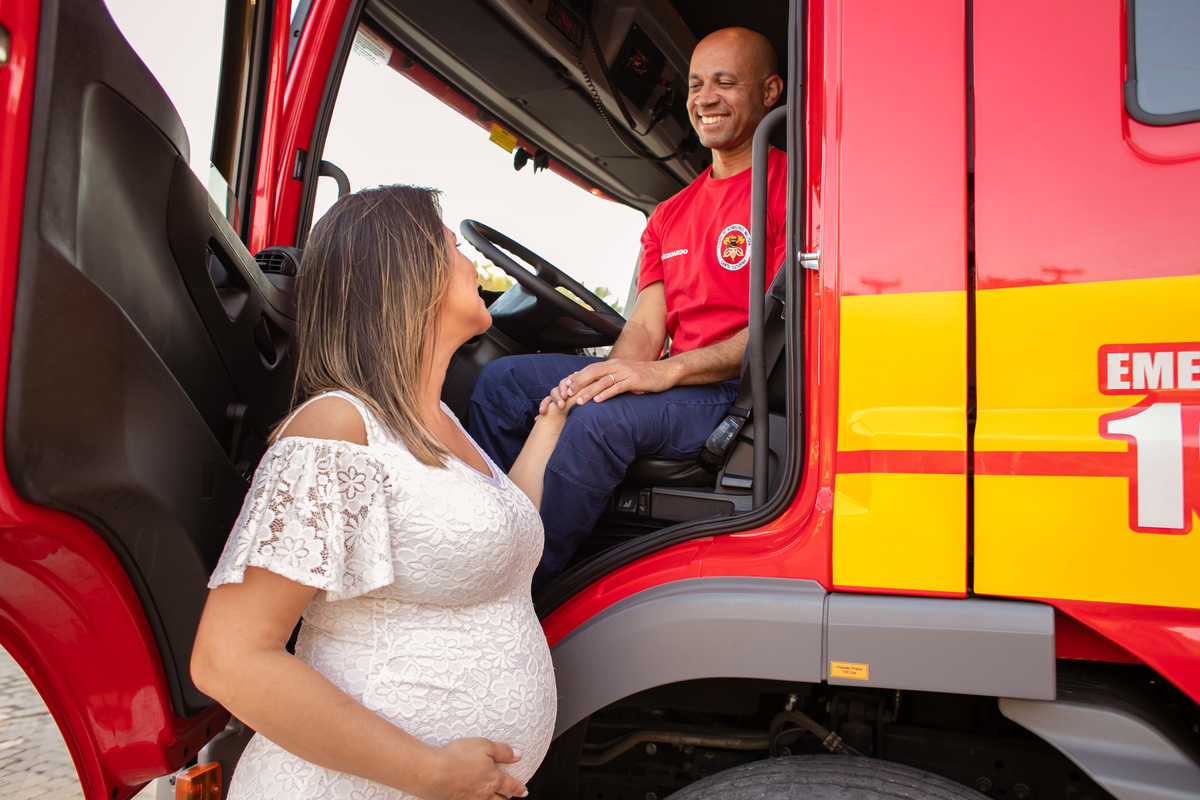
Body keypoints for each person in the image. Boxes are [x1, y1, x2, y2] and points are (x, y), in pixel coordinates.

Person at [191, 185, 571, 800]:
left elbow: (504, 530)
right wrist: (433, 773)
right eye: (453, 246)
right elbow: (228, 659)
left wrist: (552, 422)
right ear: (408, 275)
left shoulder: (441, 423)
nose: (471, 260)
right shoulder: (338, 427)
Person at [468, 27, 787, 587]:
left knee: (599, 421)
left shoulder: (798, 189)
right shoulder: (669, 214)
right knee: (502, 383)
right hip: (678, 375)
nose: (705, 98)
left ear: (770, 92)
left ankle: (522, 588)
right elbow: (645, 324)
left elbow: (776, 331)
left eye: (725, 83)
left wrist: (665, 372)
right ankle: (487, 540)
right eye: (696, 84)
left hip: (733, 390)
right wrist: (610, 374)